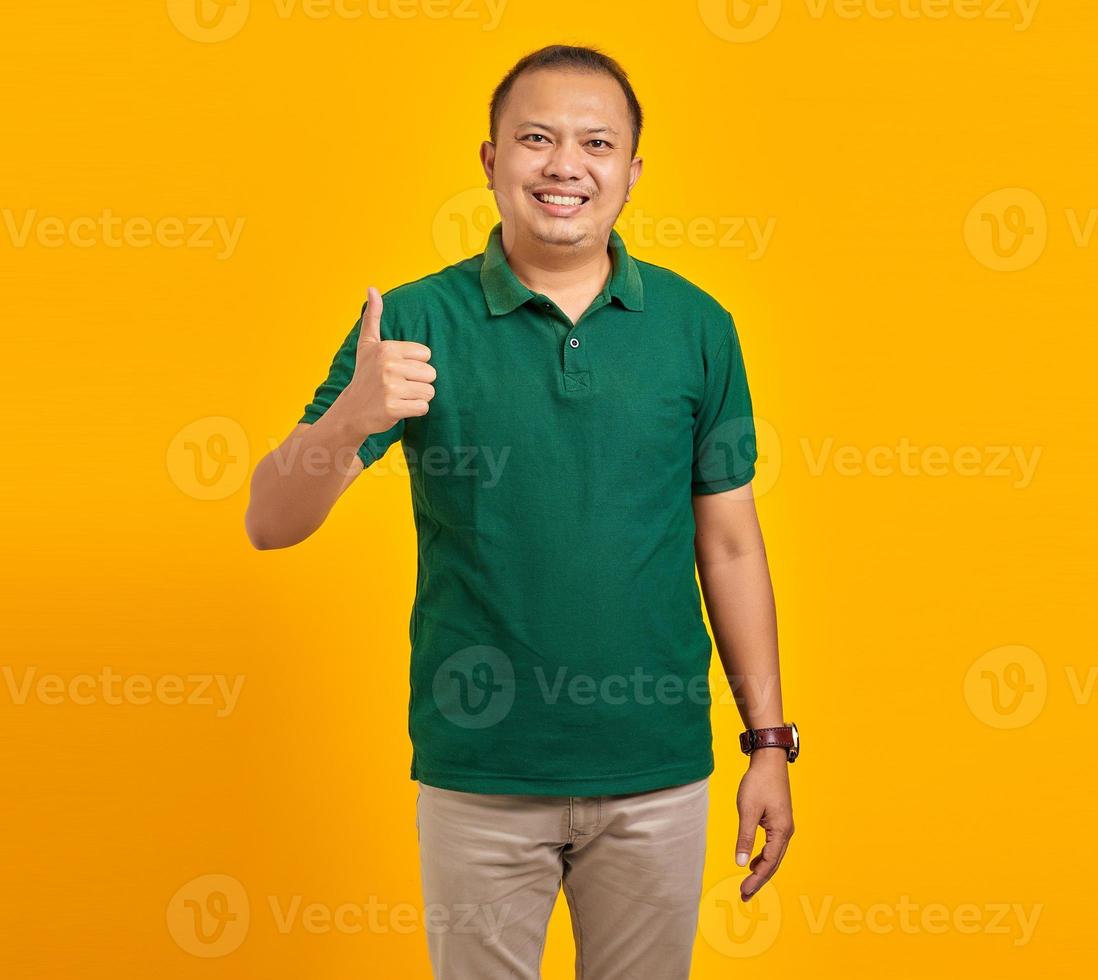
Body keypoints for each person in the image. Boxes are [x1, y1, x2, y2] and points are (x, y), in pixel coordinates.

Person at [245, 43, 797, 980]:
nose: (564, 166)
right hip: (482, 769)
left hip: (656, 768)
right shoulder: (414, 322)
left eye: (595, 143)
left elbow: (732, 547)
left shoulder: (698, 325)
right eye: (535, 138)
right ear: (491, 160)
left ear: (631, 170)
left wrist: (769, 742)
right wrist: (350, 417)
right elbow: (270, 519)